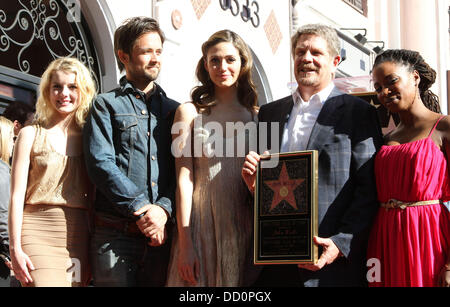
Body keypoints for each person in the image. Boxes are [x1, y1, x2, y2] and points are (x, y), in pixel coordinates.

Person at [241, 23, 383, 287]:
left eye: (316, 53)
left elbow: (368, 190)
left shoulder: (358, 113)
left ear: (335, 61)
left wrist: (340, 244)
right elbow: (261, 188)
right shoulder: (269, 113)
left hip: (328, 264)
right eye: (300, 52)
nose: (306, 58)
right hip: (274, 264)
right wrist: (253, 186)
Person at [83, 17, 179, 287]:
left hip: (162, 237)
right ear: (123, 56)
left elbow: (182, 170)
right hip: (115, 237)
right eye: (146, 51)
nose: (155, 58)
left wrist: (163, 209)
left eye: (158, 51)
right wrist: (142, 208)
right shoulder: (105, 104)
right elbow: (100, 164)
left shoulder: (175, 110)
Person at [166, 30, 258, 287]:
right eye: (214, 60)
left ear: (243, 62)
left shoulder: (258, 117)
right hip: (200, 226)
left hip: (244, 229)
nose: (222, 67)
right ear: (205, 65)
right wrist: (185, 243)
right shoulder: (188, 112)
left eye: (230, 59)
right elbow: (184, 179)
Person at [8, 57, 96, 287]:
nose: (63, 93)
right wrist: (15, 247)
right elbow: (16, 197)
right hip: (36, 231)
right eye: (57, 86)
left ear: (83, 91)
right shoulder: (30, 135)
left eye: (72, 86)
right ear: (48, 91)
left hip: (77, 236)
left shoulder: (92, 139)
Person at [367, 49, 450, 287]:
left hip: (428, 238)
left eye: (391, 81)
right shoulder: (384, 139)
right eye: (378, 87)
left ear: (415, 77)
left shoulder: (444, 127)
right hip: (383, 239)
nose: (384, 92)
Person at [0, 116, 14, 286]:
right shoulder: (3, 173)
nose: (13, 143)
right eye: (11, 138)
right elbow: (3, 214)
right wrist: (9, 250)